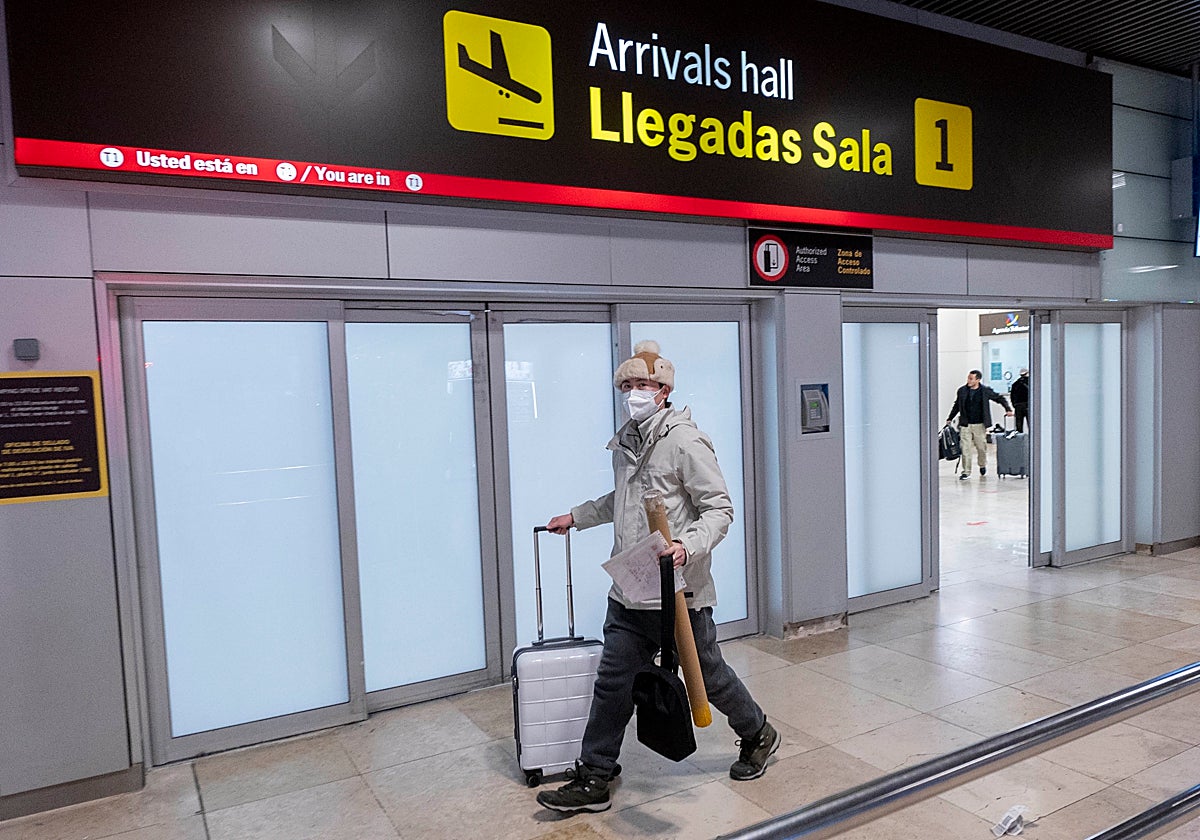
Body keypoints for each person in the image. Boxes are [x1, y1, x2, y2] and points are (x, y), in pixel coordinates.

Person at [536, 341, 779, 814]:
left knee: (708, 678)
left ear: (664, 390)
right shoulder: (627, 440)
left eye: (642, 385)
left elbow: (719, 508)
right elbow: (622, 501)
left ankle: (759, 733)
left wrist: (686, 546)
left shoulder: (685, 442)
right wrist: (577, 516)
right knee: (613, 682)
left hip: (677, 596)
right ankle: (595, 775)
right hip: (629, 591)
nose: (633, 393)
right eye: (626, 386)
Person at [946, 369, 1013, 480]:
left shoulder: (985, 391)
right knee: (965, 448)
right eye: (968, 378)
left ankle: (982, 464)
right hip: (965, 424)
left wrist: (1008, 409)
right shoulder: (962, 391)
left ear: (978, 380)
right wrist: (950, 418)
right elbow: (957, 405)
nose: (969, 380)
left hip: (979, 424)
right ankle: (966, 471)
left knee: (981, 447)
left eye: (971, 379)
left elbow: (999, 398)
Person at [1009, 367, 1030, 433]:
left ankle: (1019, 440)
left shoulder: (1015, 384)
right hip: (1028, 405)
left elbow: (1012, 396)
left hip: (1018, 406)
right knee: (1031, 424)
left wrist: (1014, 405)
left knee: (1019, 425)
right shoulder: (1031, 383)